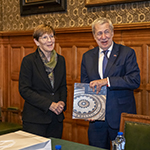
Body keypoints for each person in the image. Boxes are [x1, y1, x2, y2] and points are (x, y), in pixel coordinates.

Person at [81, 18, 140, 149]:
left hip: (119, 117)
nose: (103, 37)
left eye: (106, 32)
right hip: (96, 120)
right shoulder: (87, 56)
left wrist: (107, 81)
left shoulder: (127, 53)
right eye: (99, 33)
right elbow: (85, 84)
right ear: (94, 36)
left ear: (113, 33)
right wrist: (87, 111)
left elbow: (135, 80)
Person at [19, 24, 67, 138]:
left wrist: (62, 102)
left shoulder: (61, 60)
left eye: (51, 36)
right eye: (44, 37)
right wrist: (49, 105)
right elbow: (24, 90)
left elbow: (63, 86)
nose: (49, 40)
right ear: (36, 42)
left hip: (56, 118)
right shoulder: (29, 61)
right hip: (35, 119)